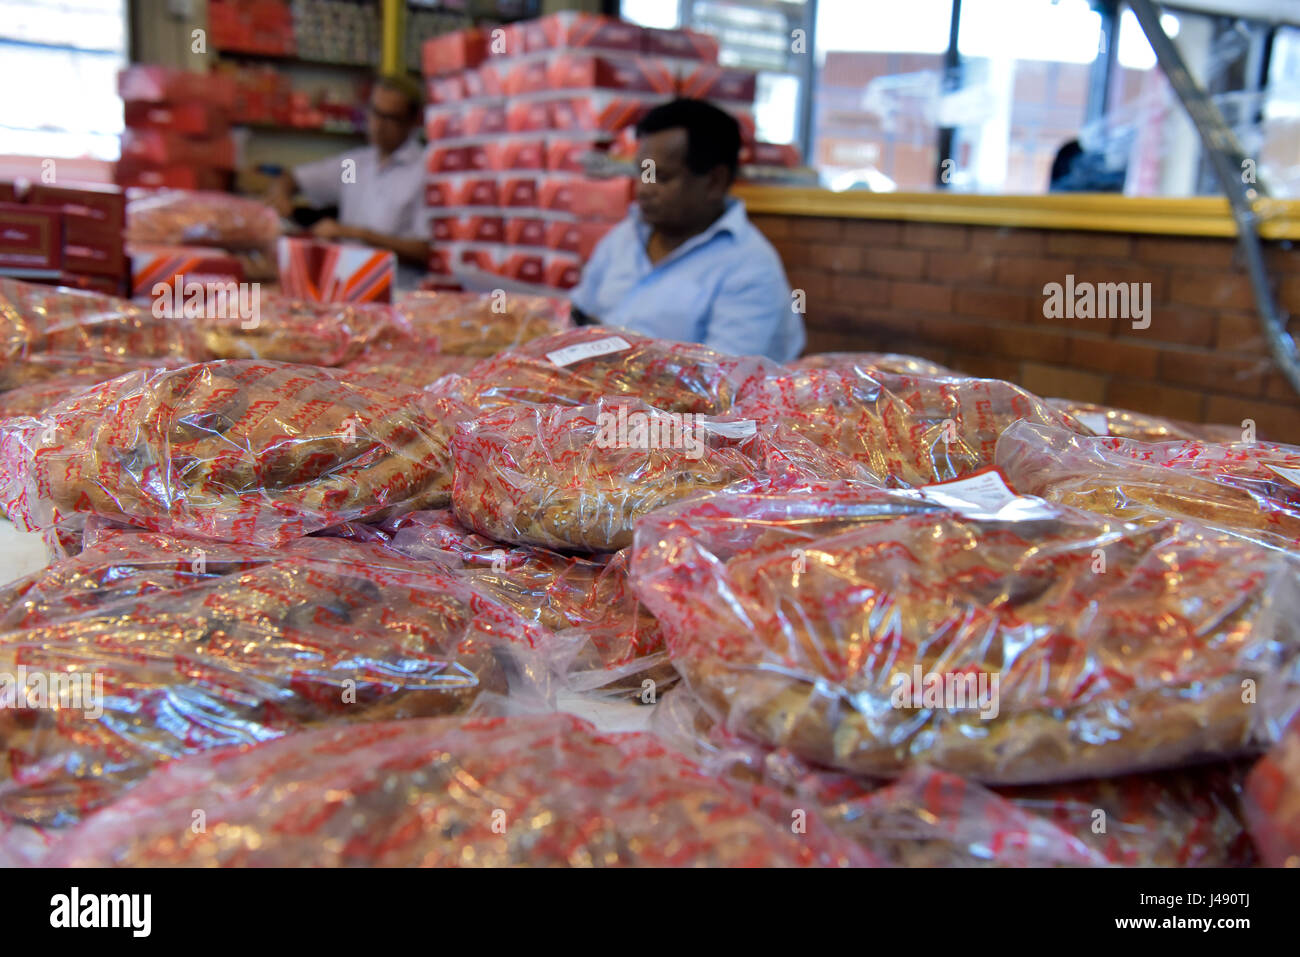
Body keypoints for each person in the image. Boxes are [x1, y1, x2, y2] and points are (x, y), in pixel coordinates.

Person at [571, 98, 804, 362]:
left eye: (663, 177)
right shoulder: (623, 237)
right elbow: (579, 319)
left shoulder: (750, 267)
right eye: (641, 173)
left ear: (714, 181)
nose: (644, 189)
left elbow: (717, 384)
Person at [268, 74, 429, 287]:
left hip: (397, 293)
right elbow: (295, 179)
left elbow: (425, 251)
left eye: (390, 118)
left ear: (412, 121)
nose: (378, 126)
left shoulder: (424, 171)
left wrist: (357, 234)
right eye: (374, 113)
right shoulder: (355, 166)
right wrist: (282, 195)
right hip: (347, 288)